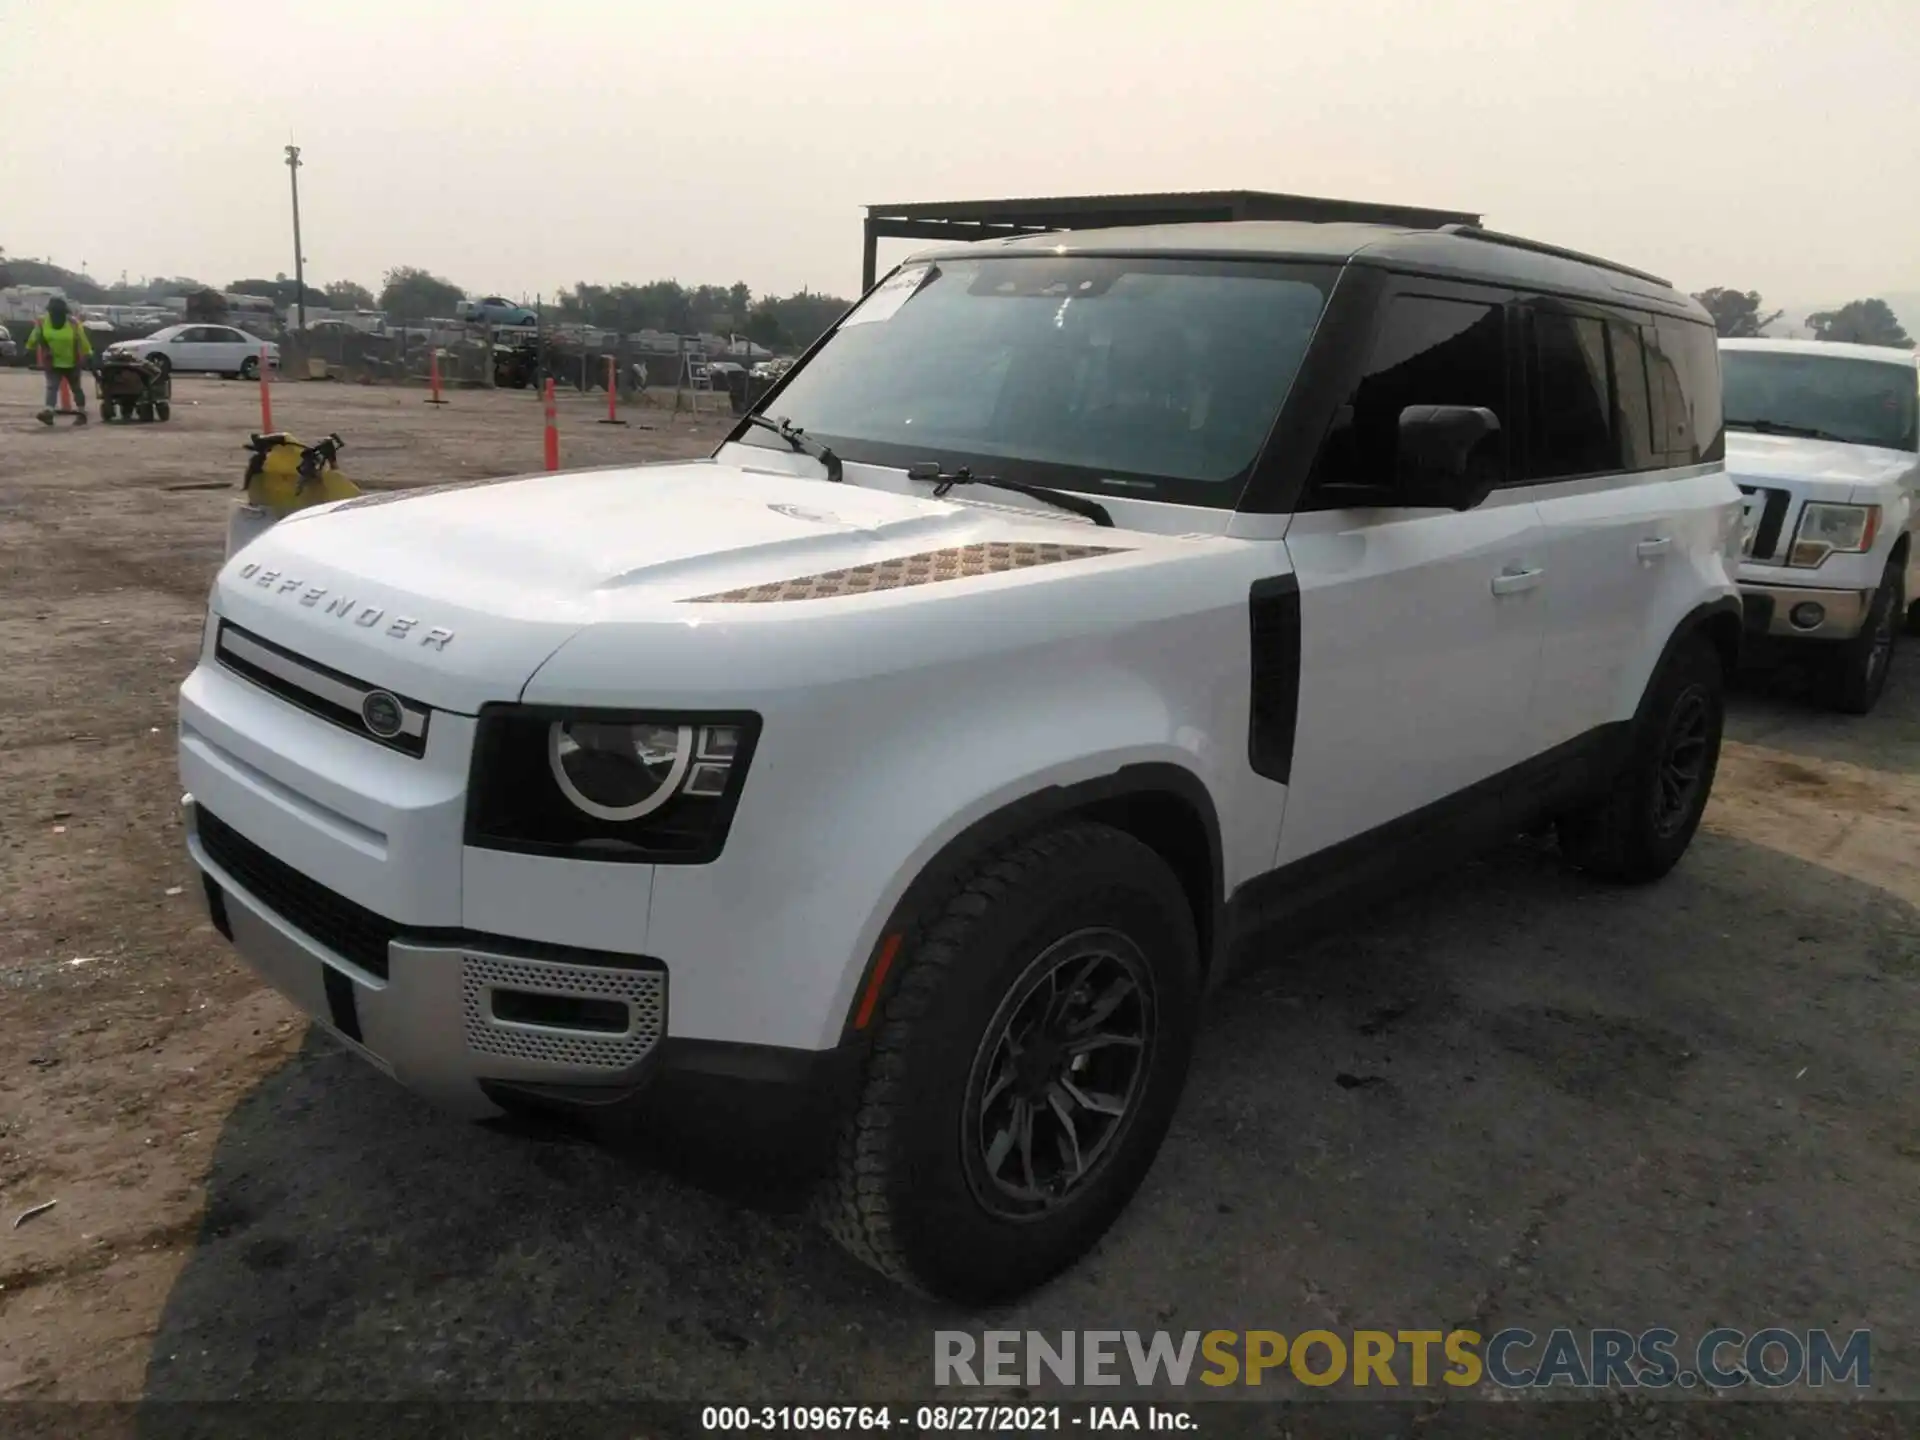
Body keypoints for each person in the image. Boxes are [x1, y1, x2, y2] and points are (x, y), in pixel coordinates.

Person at [25, 297, 94, 424]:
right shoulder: (42, 322)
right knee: (52, 387)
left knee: (76, 388)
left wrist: (88, 353)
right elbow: (35, 337)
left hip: (72, 361)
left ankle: (81, 412)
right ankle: (49, 412)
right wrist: (29, 348)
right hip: (52, 361)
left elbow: (82, 339)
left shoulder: (73, 323)